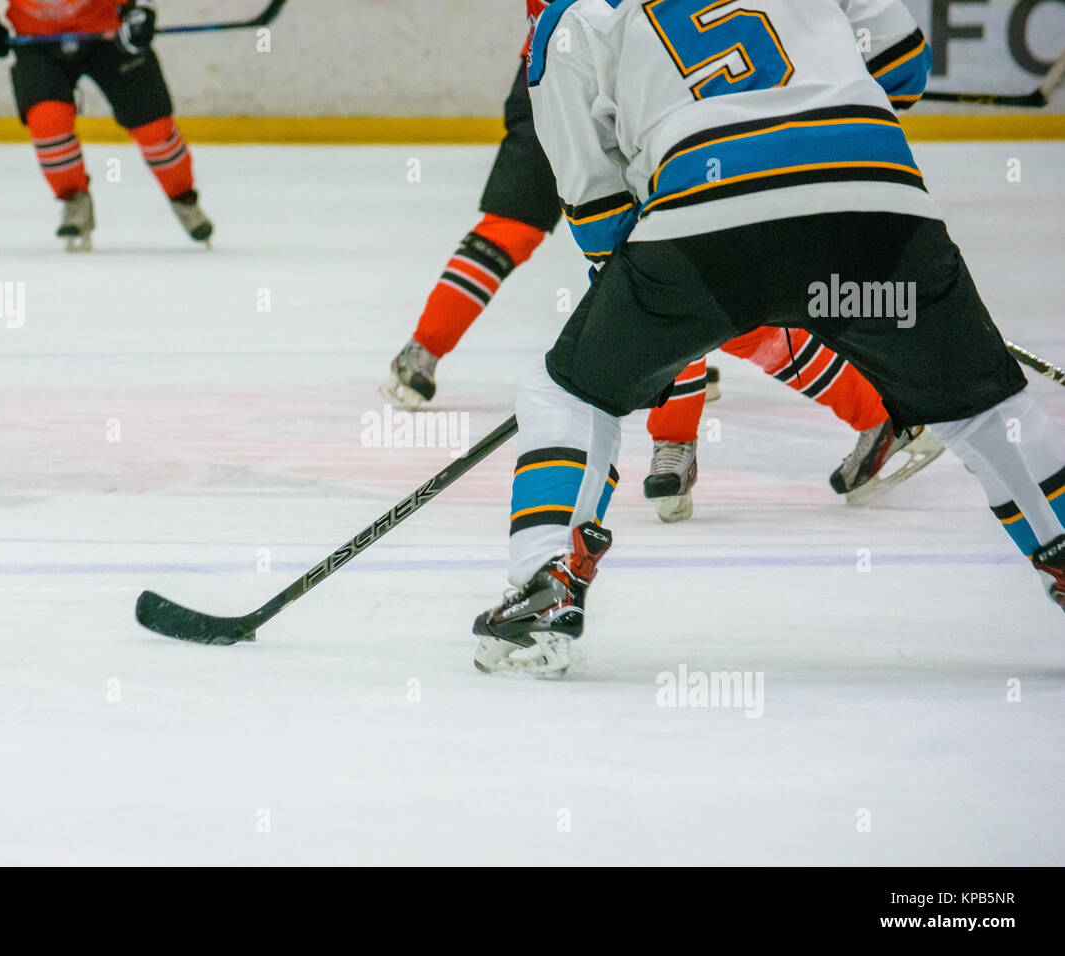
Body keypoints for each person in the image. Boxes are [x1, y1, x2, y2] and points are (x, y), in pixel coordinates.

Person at [472, 0, 1065, 677]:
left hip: (706, 231)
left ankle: (543, 586)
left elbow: (601, 213)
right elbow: (904, 66)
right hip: (876, 206)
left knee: (571, 396)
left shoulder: (567, 23)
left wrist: (641, 328)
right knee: (985, 407)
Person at [382, 0, 941, 523]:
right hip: (577, 72)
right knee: (669, 278)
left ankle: (686, 436)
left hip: (654, 83)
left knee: (692, 275)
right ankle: (859, 415)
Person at [0, 0, 213, 250]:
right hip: (36, 39)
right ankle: (74, 199)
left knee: (154, 128)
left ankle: (183, 196)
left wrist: (141, 9)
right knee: (48, 121)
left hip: (110, 31)